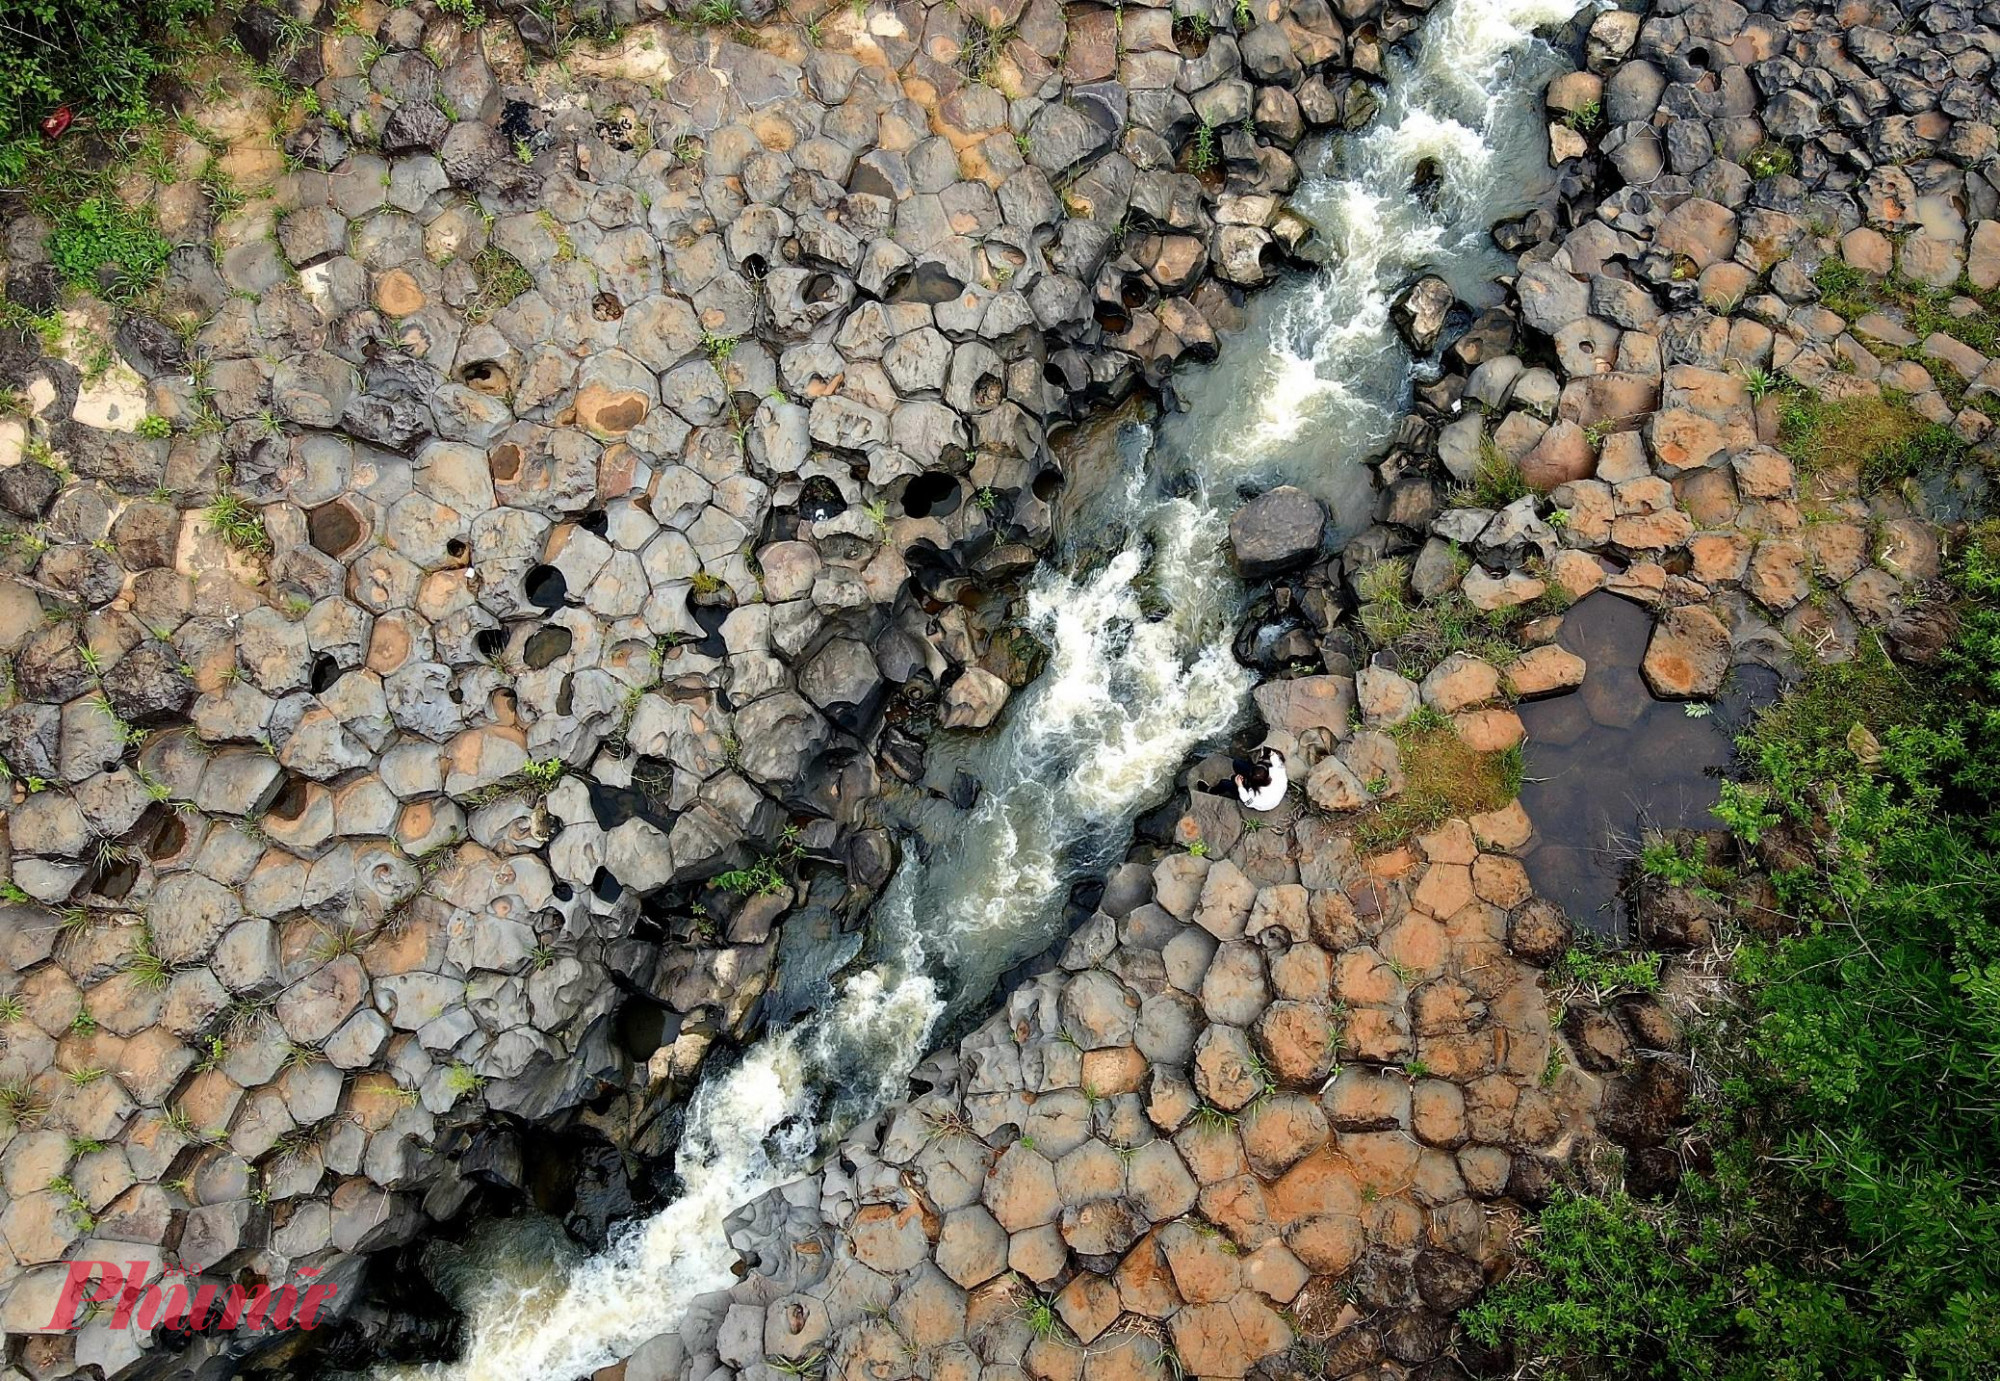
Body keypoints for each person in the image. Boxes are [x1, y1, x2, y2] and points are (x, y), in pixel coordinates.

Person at [1233, 747, 1288, 813]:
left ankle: (1218, 790)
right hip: (1274, 798)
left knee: (1224, 783)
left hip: (1263, 805)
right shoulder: (1278, 774)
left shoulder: (1255, 795)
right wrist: (1271, 754)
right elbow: (1278, 763)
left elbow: (1248, 803)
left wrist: (1240, 786)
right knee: (1237, 763)